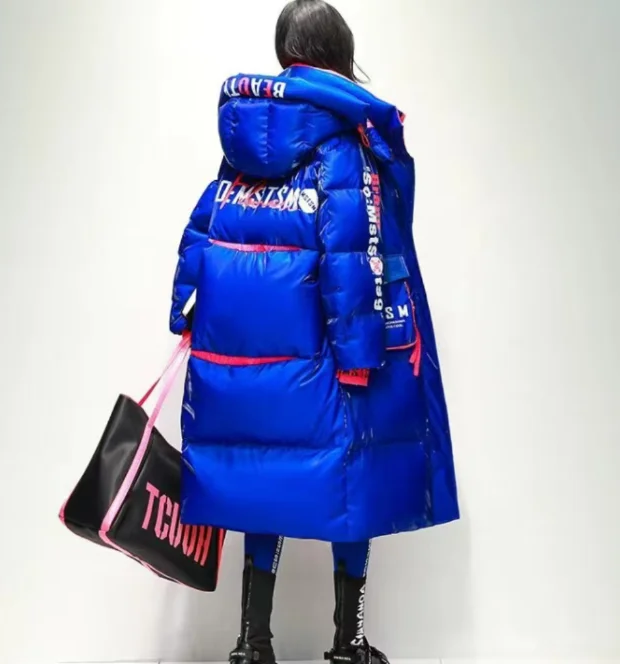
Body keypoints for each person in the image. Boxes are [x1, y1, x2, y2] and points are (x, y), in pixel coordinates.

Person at [169, 1, 459, 663]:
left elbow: (201, 237)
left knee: (263, 486)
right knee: (351, 484)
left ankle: (251, 644)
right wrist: (360, 357)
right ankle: (347, 642)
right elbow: (354, 260)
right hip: (325, 361)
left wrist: (184, 316)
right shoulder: (342, 150)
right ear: (339, 55)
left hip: (246, 367)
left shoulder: (240, 151)